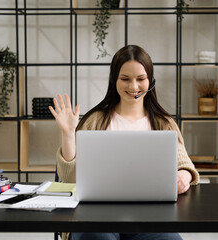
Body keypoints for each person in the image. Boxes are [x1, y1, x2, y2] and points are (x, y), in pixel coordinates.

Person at [49, 45, 199, 240]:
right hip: (95, 218)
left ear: (151, 81)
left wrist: (184, 176)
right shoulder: (95, 120)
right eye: (125, 79)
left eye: (140, 79)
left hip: (150, 220)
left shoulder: (163, 122)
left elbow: (185, 164)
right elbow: (69, 179)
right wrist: (68, 134)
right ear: (114, 80)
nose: (133, 87)